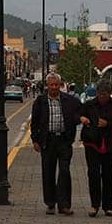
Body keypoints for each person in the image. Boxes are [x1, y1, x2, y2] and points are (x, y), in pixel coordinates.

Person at [31, 72, 81, 215]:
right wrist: (35, 140)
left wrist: (80, 119)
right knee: (48, 172)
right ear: (47, 86)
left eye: (56, 85)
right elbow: (34, 123)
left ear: (60, 85)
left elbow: (79, 112)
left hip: (64, 140)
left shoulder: (69, 100)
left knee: (64, 171)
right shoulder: (40, 102)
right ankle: (51, 203)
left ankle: (64, 204)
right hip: (47, 141)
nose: (54, 87)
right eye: (51, 85)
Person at [79, 79, 112, 217]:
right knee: (93, 174)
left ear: (110, 94)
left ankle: (108, 206)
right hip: (93, 145)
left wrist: (107, 124)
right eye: (100, 94)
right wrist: (82, 118)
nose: (102, 97)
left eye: (105, 94)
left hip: (111, 146)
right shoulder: (89, 105)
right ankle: (94, 205)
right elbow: (78, 115)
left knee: (107, 176)